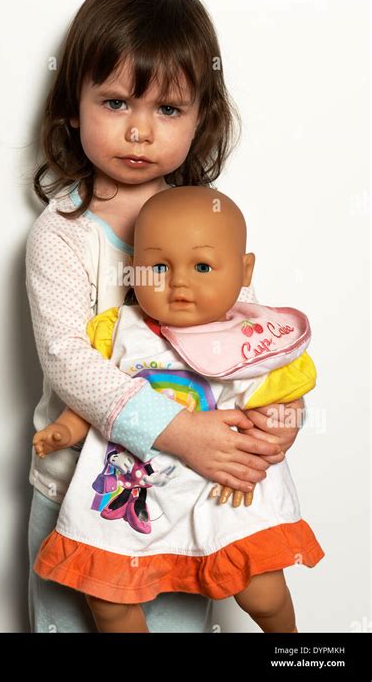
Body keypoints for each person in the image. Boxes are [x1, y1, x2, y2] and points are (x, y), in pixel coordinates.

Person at [26, 0, 305, 633]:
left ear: (200, 117)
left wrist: (279, 419)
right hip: (83, 492)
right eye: (117, 102)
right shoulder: (62, 233)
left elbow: (253, 344)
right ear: (73, 106)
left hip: (191, 493)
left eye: (169, 110)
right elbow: (71, 362)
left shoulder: (208, 219)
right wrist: (180, 430)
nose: (141, 132)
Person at [32, 187, 325, 633]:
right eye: (159, 268)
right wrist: (66, 431)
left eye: (203, 267)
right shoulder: (118, 330)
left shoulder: (249, 334)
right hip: (135, 491)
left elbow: (285, 398)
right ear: (133, 271)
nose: (179, 282)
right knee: (108, 600)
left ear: (244, 271)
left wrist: (283, 425)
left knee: (262, 591)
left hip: (223, 491)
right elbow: (87, 391)